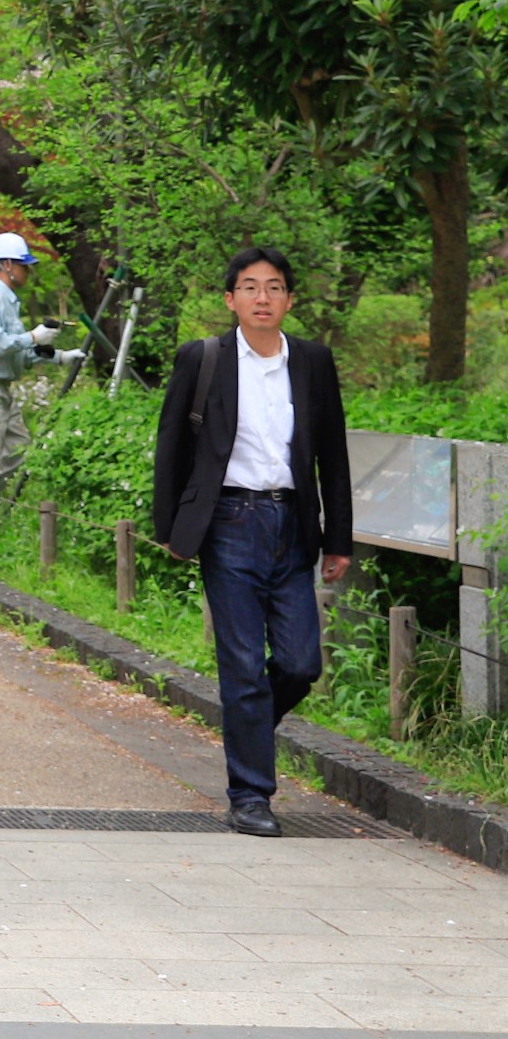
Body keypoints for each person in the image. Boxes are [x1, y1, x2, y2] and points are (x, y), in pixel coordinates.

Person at [153, 246, 352, 838]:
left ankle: (249, 730)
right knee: (242, 665)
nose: (262, 298)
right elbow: (171, 447)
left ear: (289, 298)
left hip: (293, 524)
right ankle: (251, 796)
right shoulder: (205, 359)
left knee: (300, 662)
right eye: (250, 287)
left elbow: (333, 455)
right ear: (230, 298)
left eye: (274, 287)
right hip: (229, 523)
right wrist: (173, 531)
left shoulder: (313, 361)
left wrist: (338, 537)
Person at [0, 232, 80, 507]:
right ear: (7, 264)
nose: (27, 271)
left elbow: (17, 352)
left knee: (19, 452)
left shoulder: (8, 299)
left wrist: (60, 357)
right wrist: (32, 337)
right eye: (23, 265)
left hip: (1, 389)